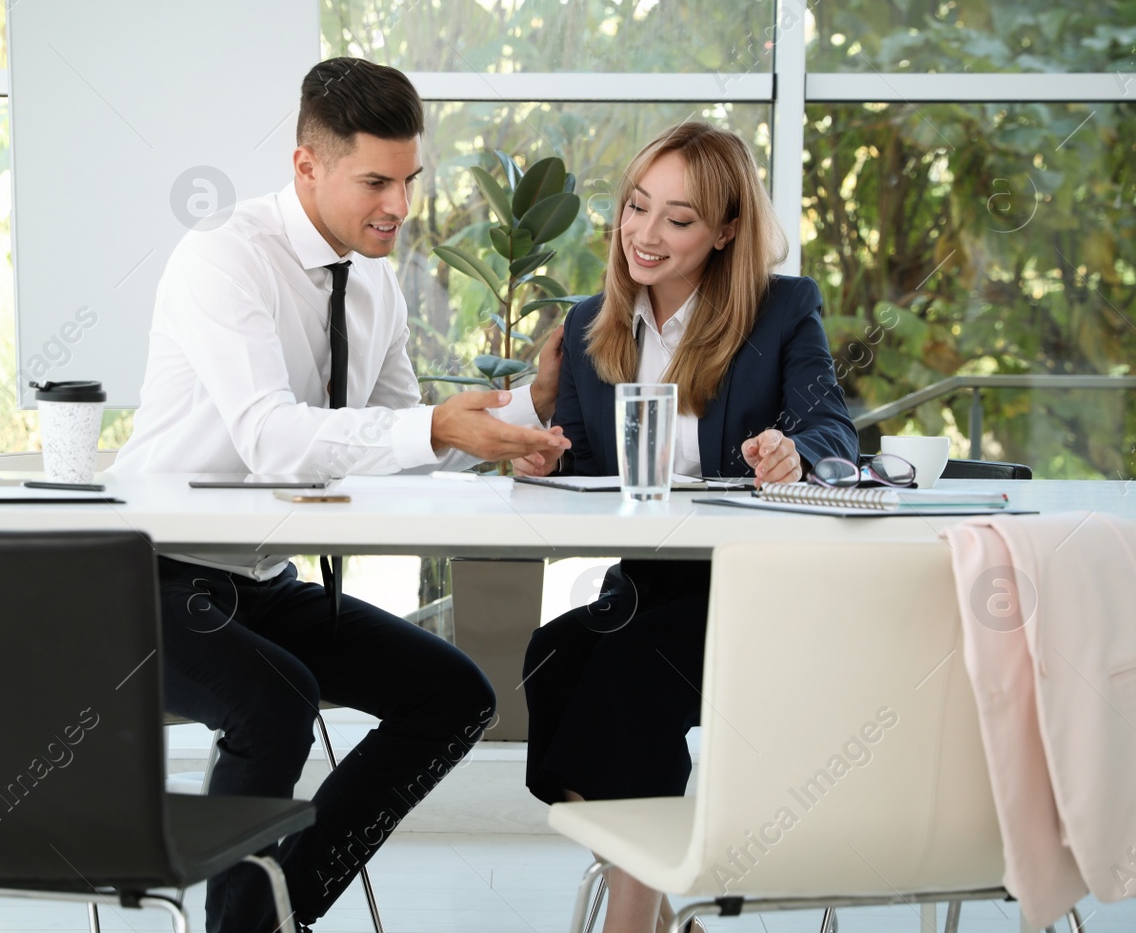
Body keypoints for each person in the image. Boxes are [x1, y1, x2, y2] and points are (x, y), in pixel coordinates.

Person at [107, 56, 569, 933]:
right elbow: (270, 434)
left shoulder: (376, 286)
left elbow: (402, 433)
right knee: (273, 703)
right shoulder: (225, 257)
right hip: (151, 576)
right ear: (306, 167)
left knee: (455, 696)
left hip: (262, 578)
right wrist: (435, 427)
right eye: (375, 181)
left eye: (408, 180)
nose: (399, 205)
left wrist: (526, 411)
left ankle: (275, 909)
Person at [511, 121, 859, 933]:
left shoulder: (781, 310)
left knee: (632, 670)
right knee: (552, 658)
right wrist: (541, 458)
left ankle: (631, 922)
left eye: (679, 218)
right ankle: (666, 908)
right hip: (647, 580)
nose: (646, 233)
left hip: (754, 586)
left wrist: (793, 451)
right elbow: (581, 462)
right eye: (638, 207)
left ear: (726, 230)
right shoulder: (593, 318)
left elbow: (835, 431)